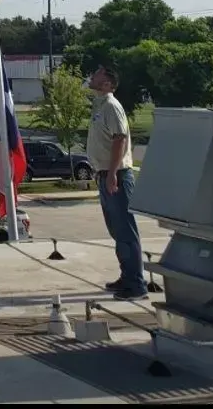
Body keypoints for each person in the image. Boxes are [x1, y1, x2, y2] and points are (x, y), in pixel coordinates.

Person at [87, 63, 146, 298]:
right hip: (105, 174)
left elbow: (119, 138)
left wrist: (112, 173)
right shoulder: (99, 105)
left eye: (98, 74)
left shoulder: (111, 106)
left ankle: (136, 284)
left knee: (125, 230)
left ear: (108, 83)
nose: (92, 76)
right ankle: (126, 276)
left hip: (118, 175)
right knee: (117, 231)